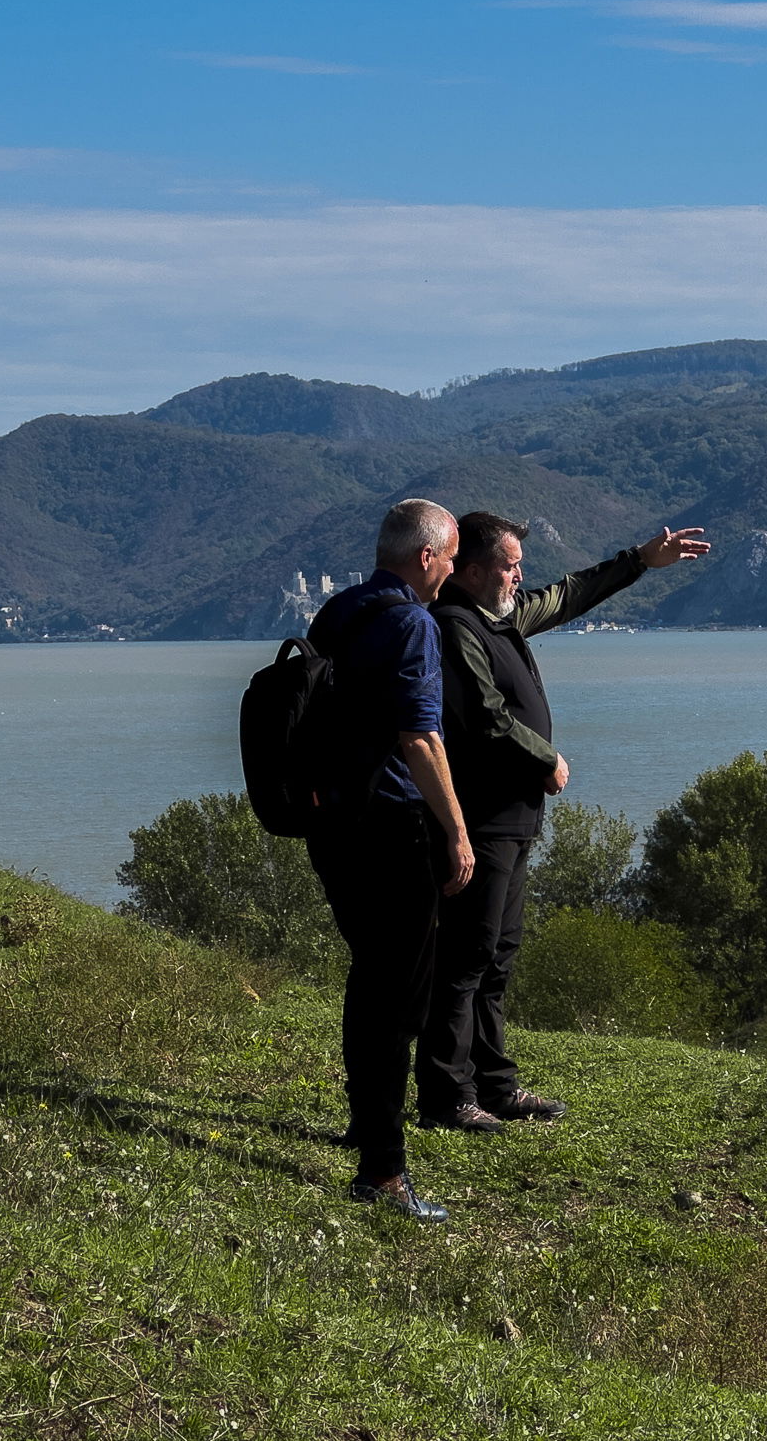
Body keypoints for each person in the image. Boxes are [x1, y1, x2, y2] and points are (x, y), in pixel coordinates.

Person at [417, 513, 711, 1132]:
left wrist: (638, 561)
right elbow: (485, 716)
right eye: (508, 564)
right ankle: (447, 1096)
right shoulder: (455, 625)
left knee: (498, 955)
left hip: (514, 817)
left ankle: (495, 1086)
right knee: (466, 958)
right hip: (482, 818)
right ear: (470, 571)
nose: (520, 575)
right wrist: (545, 756)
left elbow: (568, 595)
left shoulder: (499, 616)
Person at [303, 498, 478, 1222]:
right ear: (427, 557)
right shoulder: (411, 621)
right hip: (389, 827)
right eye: (453, 556)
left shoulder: (339, 612)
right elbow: (420, 740)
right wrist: (459, 831)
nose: (458, 569)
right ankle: (382, 1171)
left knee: (370, 980)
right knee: (399, 998)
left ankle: (364, 1127)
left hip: (333, 822)